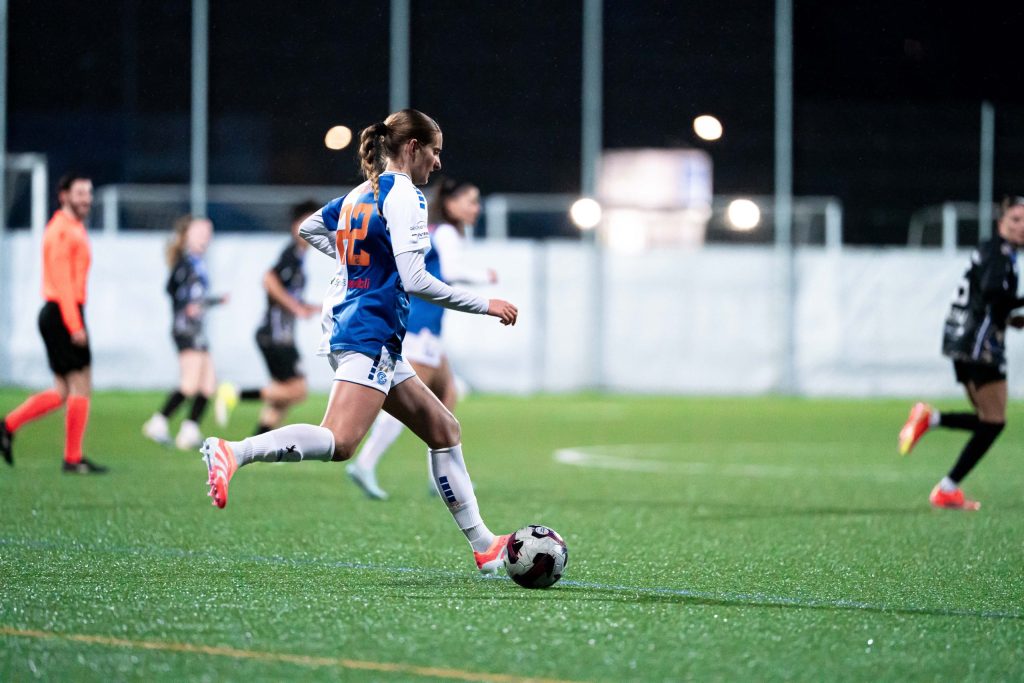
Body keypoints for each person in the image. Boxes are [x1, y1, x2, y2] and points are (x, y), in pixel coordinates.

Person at [200, 109, 519, 575]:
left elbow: (310, 228)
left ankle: (485, 545)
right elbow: (415, 279)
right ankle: (234, 451)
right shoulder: (405, 194)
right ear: (413, 148)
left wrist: (355, 262)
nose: (438, 162)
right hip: (368, 328)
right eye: (434, 151)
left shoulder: (360, 192)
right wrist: (485, 304)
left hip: (363, 327)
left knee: (443, 430)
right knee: (341, 440)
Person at [345, 176, 496, 500]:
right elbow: (452, 272)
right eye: (471, 201)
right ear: (452, 204)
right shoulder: (446, 233)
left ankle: (439, 476)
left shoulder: (433, 230)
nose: (476, 208)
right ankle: (366, 462)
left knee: (446, 395)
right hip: (420, 328)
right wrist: (486, 276)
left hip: (418, 327)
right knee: (412, 402)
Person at [898, 195, 1024, 509]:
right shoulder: (1000, 253)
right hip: (980, 346)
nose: (1022, 227)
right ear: (1001, 223)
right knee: (994, 422)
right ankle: (946, 487)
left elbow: (989, 301)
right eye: (1016, 220)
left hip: (962, 340)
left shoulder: (991, 250)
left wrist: (1010, 317)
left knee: (988, 420)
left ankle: (931, 420)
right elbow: (994, 294)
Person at [0, 173, 107, 474]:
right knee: (81, 384)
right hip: (62, 311)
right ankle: (72, 459)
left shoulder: (72, 227)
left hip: (64, 311)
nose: (86, 199)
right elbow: (62, 283)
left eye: (89, 193)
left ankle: (8, 426)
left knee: (62, 390)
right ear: (64, 196)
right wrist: (74, 325)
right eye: (80, 193)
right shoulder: (61, 230)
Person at [214, 201, 322, 434]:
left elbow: (290, 296)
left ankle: (258, 444)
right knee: (298, 391)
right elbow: (268, 280)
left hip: (277, 335)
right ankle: (234, 393)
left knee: (281, 398)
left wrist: (312, 308)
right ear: (295, 226)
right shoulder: (292, 254)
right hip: (276, 336)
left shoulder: (299, 257)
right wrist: (295, 307)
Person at [142, 216, 227, 450]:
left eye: (208, 232)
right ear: (187, 235)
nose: (205, 237)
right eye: (200, 232)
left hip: (196, 329)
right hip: (186, 329)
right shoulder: (185, 262)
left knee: (208, 384)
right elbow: (173, 289)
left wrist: (215, 301)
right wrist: (183, 307)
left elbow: (196, 299)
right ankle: (158, 422)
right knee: (189, 384)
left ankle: (190, 430)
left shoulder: (197, 262)